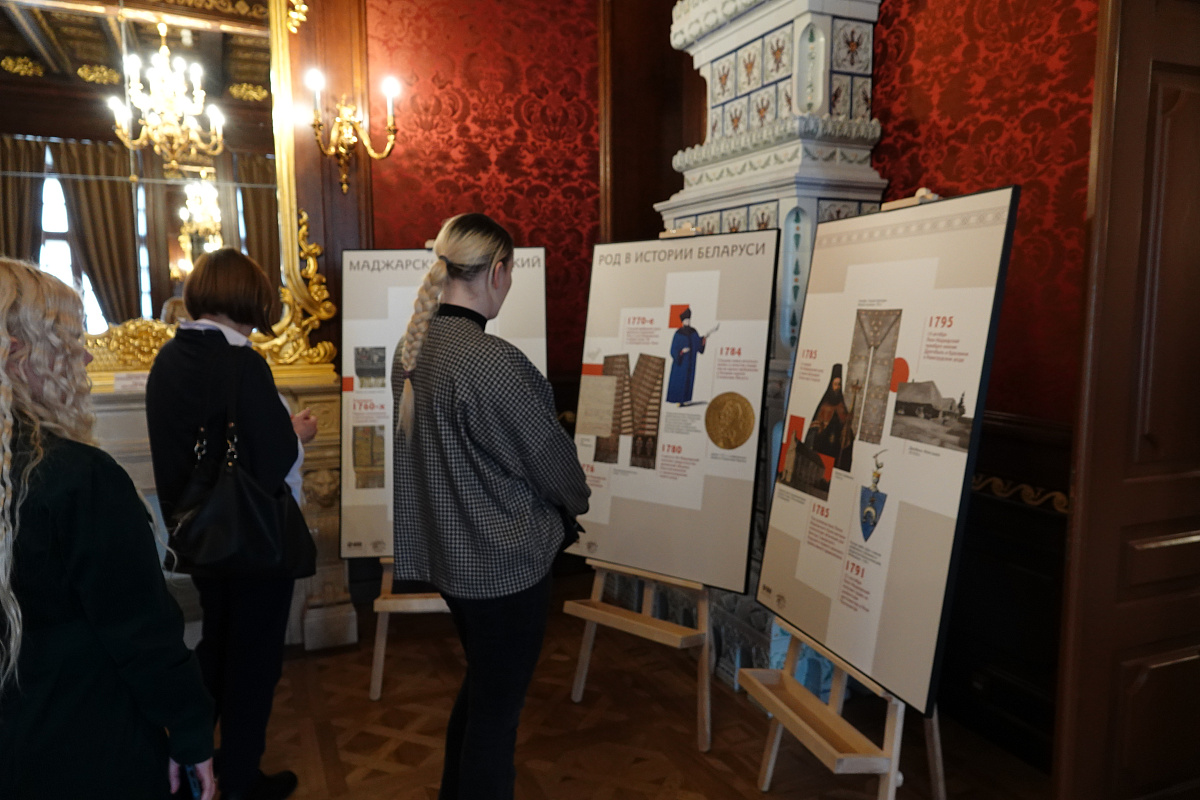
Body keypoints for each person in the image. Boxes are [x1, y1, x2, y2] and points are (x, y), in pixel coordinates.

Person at [0, 258, 216, 800]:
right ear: (20, 355)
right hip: (80, 741)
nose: (86, 357)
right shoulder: (76, 478)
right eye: (70, 343)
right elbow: (141, 634)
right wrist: (190, 732)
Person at [391, 213, 589, 799]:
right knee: (496, 720)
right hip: (503, 567)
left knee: (485, 693)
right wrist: (577, 500)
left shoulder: (414, 348)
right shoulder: (490, 360)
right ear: (498, 271)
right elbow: (555, 467)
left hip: (452, 562)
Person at [146, 249, 317, 800]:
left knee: (216, 651)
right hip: (252, 540)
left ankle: (192, 764)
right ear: (250, 299)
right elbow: (270, 461)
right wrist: (298, 434)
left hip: (198, 536)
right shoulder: (242, 363)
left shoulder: (169, 360)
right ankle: (240, 778)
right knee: (254, 664)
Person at [805, 363, 854, 472]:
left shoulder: (841, 405)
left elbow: (846, 425)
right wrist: (819, 431)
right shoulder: (824, 404)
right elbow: (814, 427)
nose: (837, 387)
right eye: (835, 384)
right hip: (823, 444)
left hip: (836, 448)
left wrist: (848, 430)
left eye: (839, 384)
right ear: (831, 385)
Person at [666, 306, 706, 405]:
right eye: (686, 321)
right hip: (681, 364)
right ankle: (678, 401)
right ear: (682, 322)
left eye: (689, 320)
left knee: (688, 381)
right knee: (679, 381)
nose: (687, 322)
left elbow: (698, 345)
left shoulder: (694, 332)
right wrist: (681, 351)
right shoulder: (678, 333)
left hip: (691, 363)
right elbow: (673, 350)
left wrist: (703, 340)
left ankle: (685, 400)